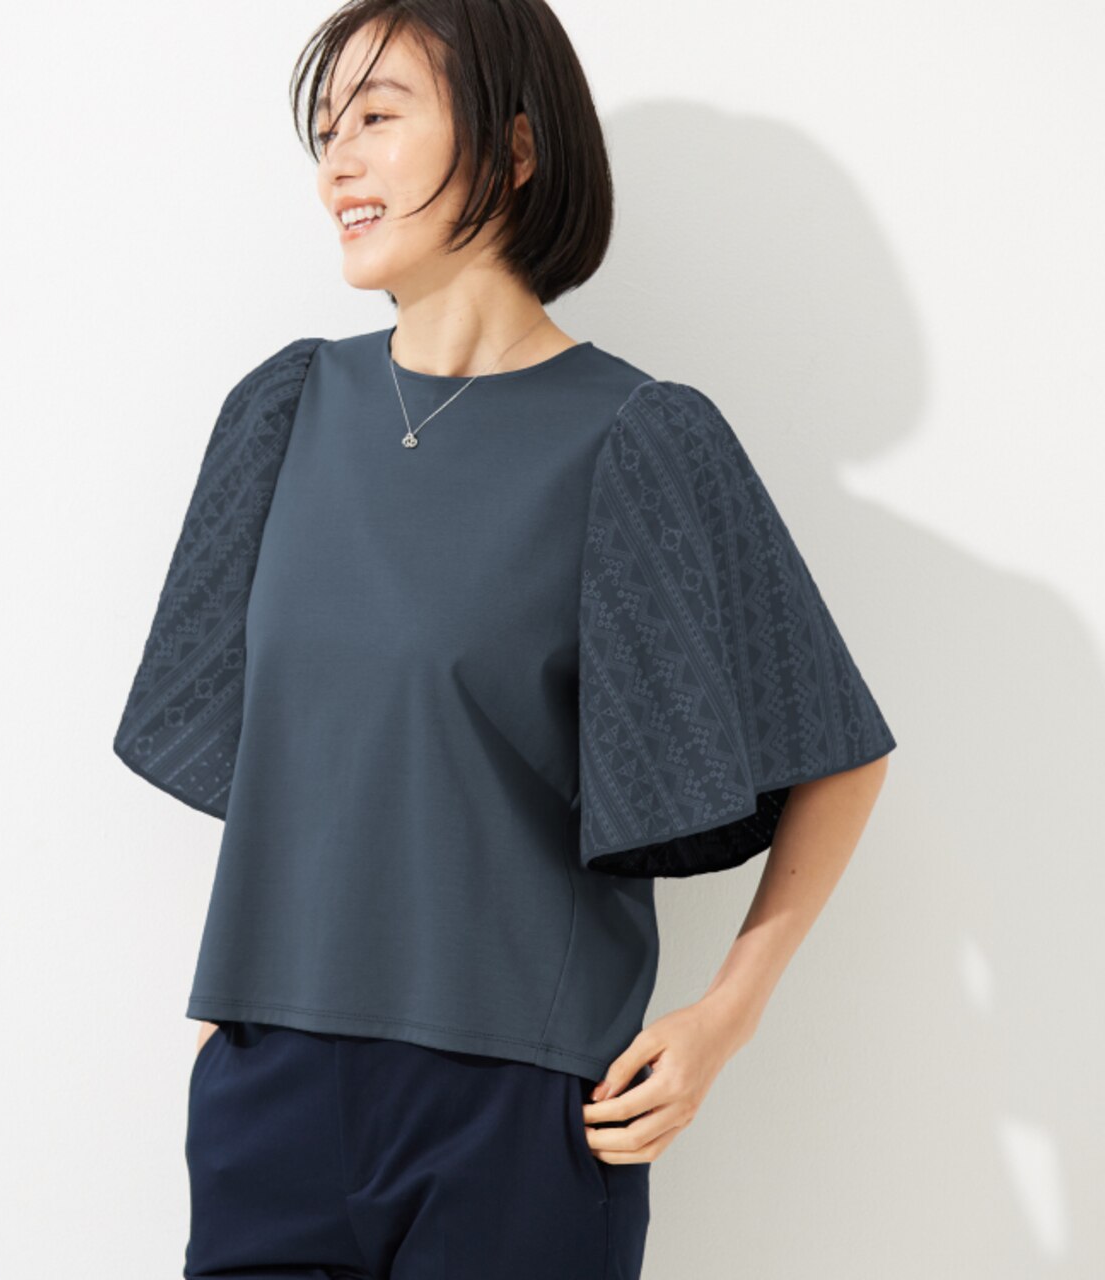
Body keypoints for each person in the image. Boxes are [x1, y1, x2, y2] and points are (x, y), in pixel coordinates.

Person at [112, 3, 897, 1277]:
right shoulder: (283, 413)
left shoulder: (636, 438)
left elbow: (838, 753)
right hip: (268, 1091)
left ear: (514, 147)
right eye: (325, 131)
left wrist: (721, 1018)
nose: (337, 164)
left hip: (521, 1114)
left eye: (377, 116)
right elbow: (291, 758)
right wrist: (238, 1046)